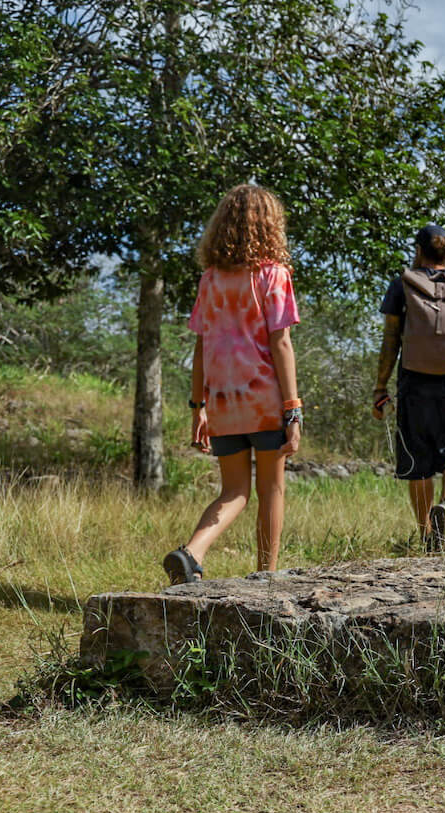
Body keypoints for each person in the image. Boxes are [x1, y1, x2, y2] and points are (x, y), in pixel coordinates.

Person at [162, 184, 302, 584]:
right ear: (270, 226)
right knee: (271, 490)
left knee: (233, 492)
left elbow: (201, 347)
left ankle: (192, 552)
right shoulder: (274, 275)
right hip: (264, 401)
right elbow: (282, 343)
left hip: (222, 402)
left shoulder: (211, 280)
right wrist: (292, 408)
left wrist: (197, 407)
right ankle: (266, 576)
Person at [372, 225, 445, 551]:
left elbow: (391, 340)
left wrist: (380, 387)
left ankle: (427, 535)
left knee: (417, 462)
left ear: (419, 250)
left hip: (414, 384)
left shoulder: (403, 284)